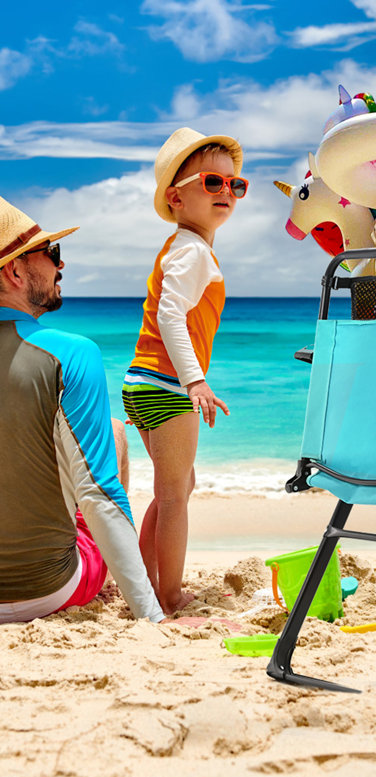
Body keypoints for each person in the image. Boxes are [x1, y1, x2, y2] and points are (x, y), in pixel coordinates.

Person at [0, 197, 164, 624]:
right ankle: (116, 587)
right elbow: (98, 495)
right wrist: (152, 616)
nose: (61, 266)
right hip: (48, 589)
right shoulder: (71, 353)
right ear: (13, 271)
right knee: (113, 432)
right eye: (50, 253)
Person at [122, 127, 247, 614]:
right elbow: (171, 316)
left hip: (145, 380)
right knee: (174, 495)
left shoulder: (184, 246)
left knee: (177, 488)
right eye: (212, 183)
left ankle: (144, 579)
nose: (227, 193)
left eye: (235, 185)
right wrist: (194, 379)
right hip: (164, 382)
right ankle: (168, 596)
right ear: (176, 197)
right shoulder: (191, 250)